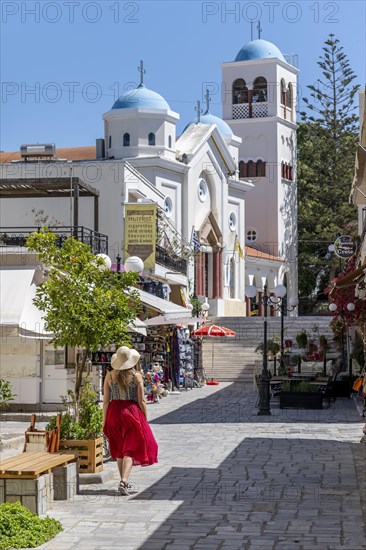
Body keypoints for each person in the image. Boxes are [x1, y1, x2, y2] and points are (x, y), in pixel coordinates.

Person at [103, 346, 158, 495]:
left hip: (114, 412)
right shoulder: (136, 376)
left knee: (120, 449)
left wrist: (105, 420)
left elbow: (106, 401)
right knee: (130, 449)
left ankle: (123, 482)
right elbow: (141, 401)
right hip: (131, 413)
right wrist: (144, 419)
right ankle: (124, 481)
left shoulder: (109, 376)